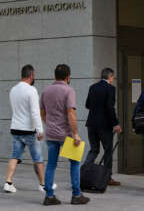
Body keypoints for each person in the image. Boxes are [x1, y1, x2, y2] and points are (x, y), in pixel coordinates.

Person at [40, 64, 90, 206]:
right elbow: (71, 113)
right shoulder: (68, 90)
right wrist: (75, 134)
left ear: (55, 76)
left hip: (51, 134)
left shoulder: (46, 90)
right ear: (68, 77)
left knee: (51, 164)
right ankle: (76, 195)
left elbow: (42, 112)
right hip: (66, 135)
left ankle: (49, 196)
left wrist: (49, 123)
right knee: (74, 164)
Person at [3, 64, 56, 193]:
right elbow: (35, 112)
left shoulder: (13, 90)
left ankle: (8, 182)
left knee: (15, 156)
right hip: (29, 130)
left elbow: (15, 109)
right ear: (31, 75)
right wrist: (40, 130)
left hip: (16, 128)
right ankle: (43, 184)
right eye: (34, 75)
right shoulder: (31, 90)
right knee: (38, 158)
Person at [84, 68, 122, 186]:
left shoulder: (93, 87)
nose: (112, 80)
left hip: (91, 124)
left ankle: (84, 173)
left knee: (94, 150)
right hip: (104, 125)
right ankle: (107, 178)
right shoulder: (110, 89)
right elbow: (110, 108)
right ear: (110, 77)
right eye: (112, 78)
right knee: (108, 151)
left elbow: (87, 105)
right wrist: (115, 123)